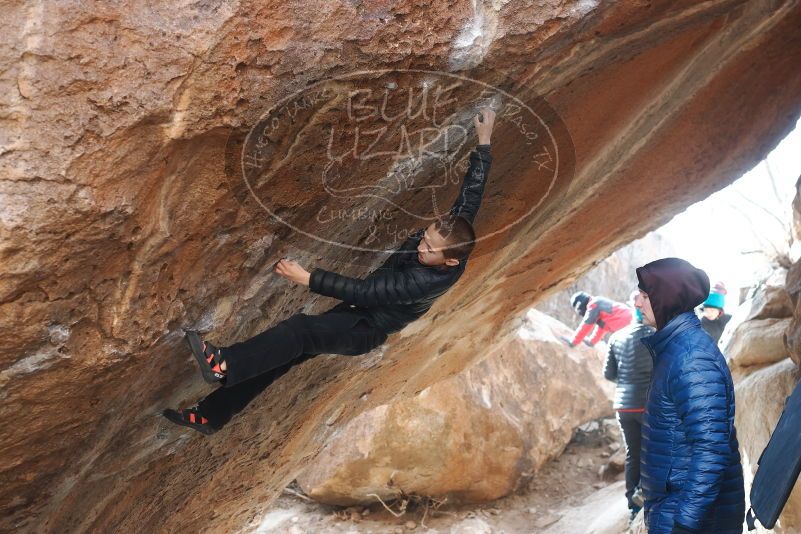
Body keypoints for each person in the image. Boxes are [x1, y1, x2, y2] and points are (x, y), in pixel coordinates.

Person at [163, 108, 496, 435]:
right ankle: (212, 415)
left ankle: (225, 363)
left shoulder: (422, 281)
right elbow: (470, 198)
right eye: (424, 238)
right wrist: (484, 142)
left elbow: (366, 292)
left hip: (364, 329)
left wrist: (307, 279)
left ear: (450, 262)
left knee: (301, 331)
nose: (421, 247)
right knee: (280, 357)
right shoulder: (454, 241)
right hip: (355, 315)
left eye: (429, 250)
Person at [635, 258, 744, 534]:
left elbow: (710, 448)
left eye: (645, 296)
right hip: (676, 508)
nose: (637, 303)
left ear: (666, 299)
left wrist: (685, 522)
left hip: (692, 518)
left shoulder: (691, 358)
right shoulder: (676, 349)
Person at [603, 290, 654, 523]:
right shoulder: (655, 336)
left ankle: (632, 506)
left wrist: (628, 380)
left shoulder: (616, 336)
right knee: (653, 450)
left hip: (623, 405)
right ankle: (645, 493)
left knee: (632, 453)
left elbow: (609, 373)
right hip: (647, 404)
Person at [562, 291, 633, 347]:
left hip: (631, 324)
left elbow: (586, 325)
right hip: (632, 326)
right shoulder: (600, 309)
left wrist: (573, 342)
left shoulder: (594, 304)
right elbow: (602, 327)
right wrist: (591, 342)